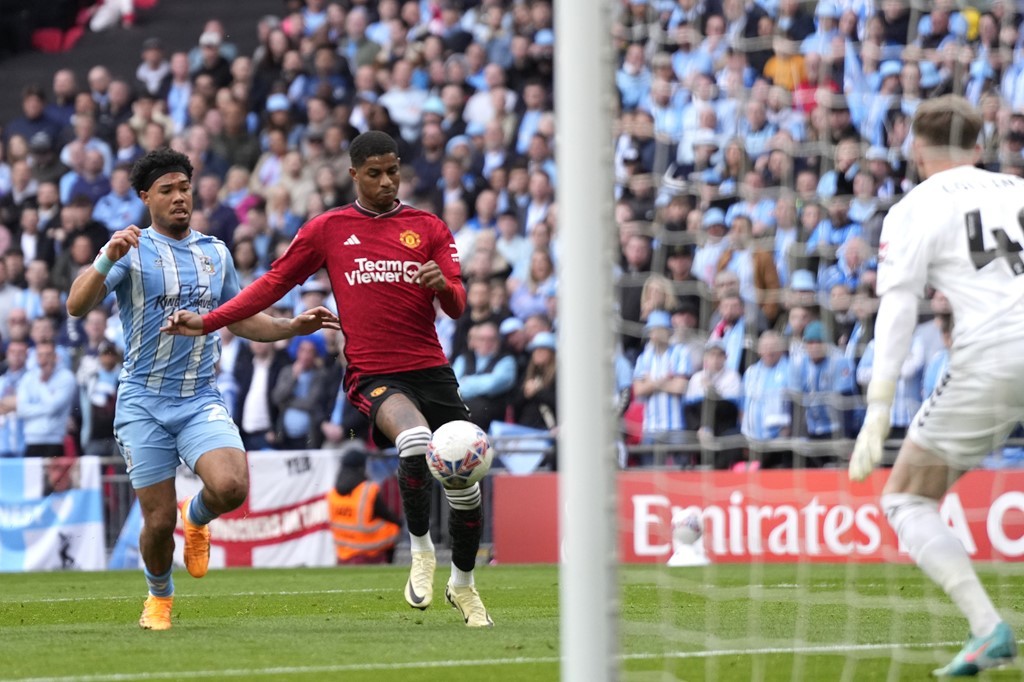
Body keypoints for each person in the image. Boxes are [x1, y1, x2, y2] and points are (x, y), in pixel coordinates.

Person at [162, 131, 494, 627]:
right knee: (414, 439)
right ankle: (422, 552)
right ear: (354, 174)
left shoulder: (428, 227)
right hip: (374, 372)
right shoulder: (329, 229)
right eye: (375, 173)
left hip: (432, 370)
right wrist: (209, 320)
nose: (386, 182)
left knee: (466, 486)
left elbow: (458, 304)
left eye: (393, 171)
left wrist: (442, 286)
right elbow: (272, 284)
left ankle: (463, 586)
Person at [65, 148, 339, 631]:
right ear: (146, 197)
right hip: (143, 403)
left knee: (232, 487)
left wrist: (292, 326)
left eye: (184, 188)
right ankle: (159, 598)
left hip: (197, 398)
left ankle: (197, 515)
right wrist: (107, 257)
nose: (178, 198)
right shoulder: (131, 251)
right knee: (154, 523)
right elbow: (75, 305)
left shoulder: (215, 252)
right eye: (166, 190)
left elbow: (240, 317)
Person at [849, 95, 1020, 675]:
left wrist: (878, 409)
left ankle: (987, 628)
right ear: (978, 149)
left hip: (994, 358)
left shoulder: (913, 208)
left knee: (906, 496)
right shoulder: (1019, 189)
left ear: (916, 151)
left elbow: (897, 312)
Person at [327, 444, 402, 565]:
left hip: (343, 553)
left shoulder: (333, 493)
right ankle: (388, 563)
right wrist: (400, 523)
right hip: (368, 550)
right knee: (394, 527)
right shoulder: (367, 490)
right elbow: (387, 515)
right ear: (361, 467)